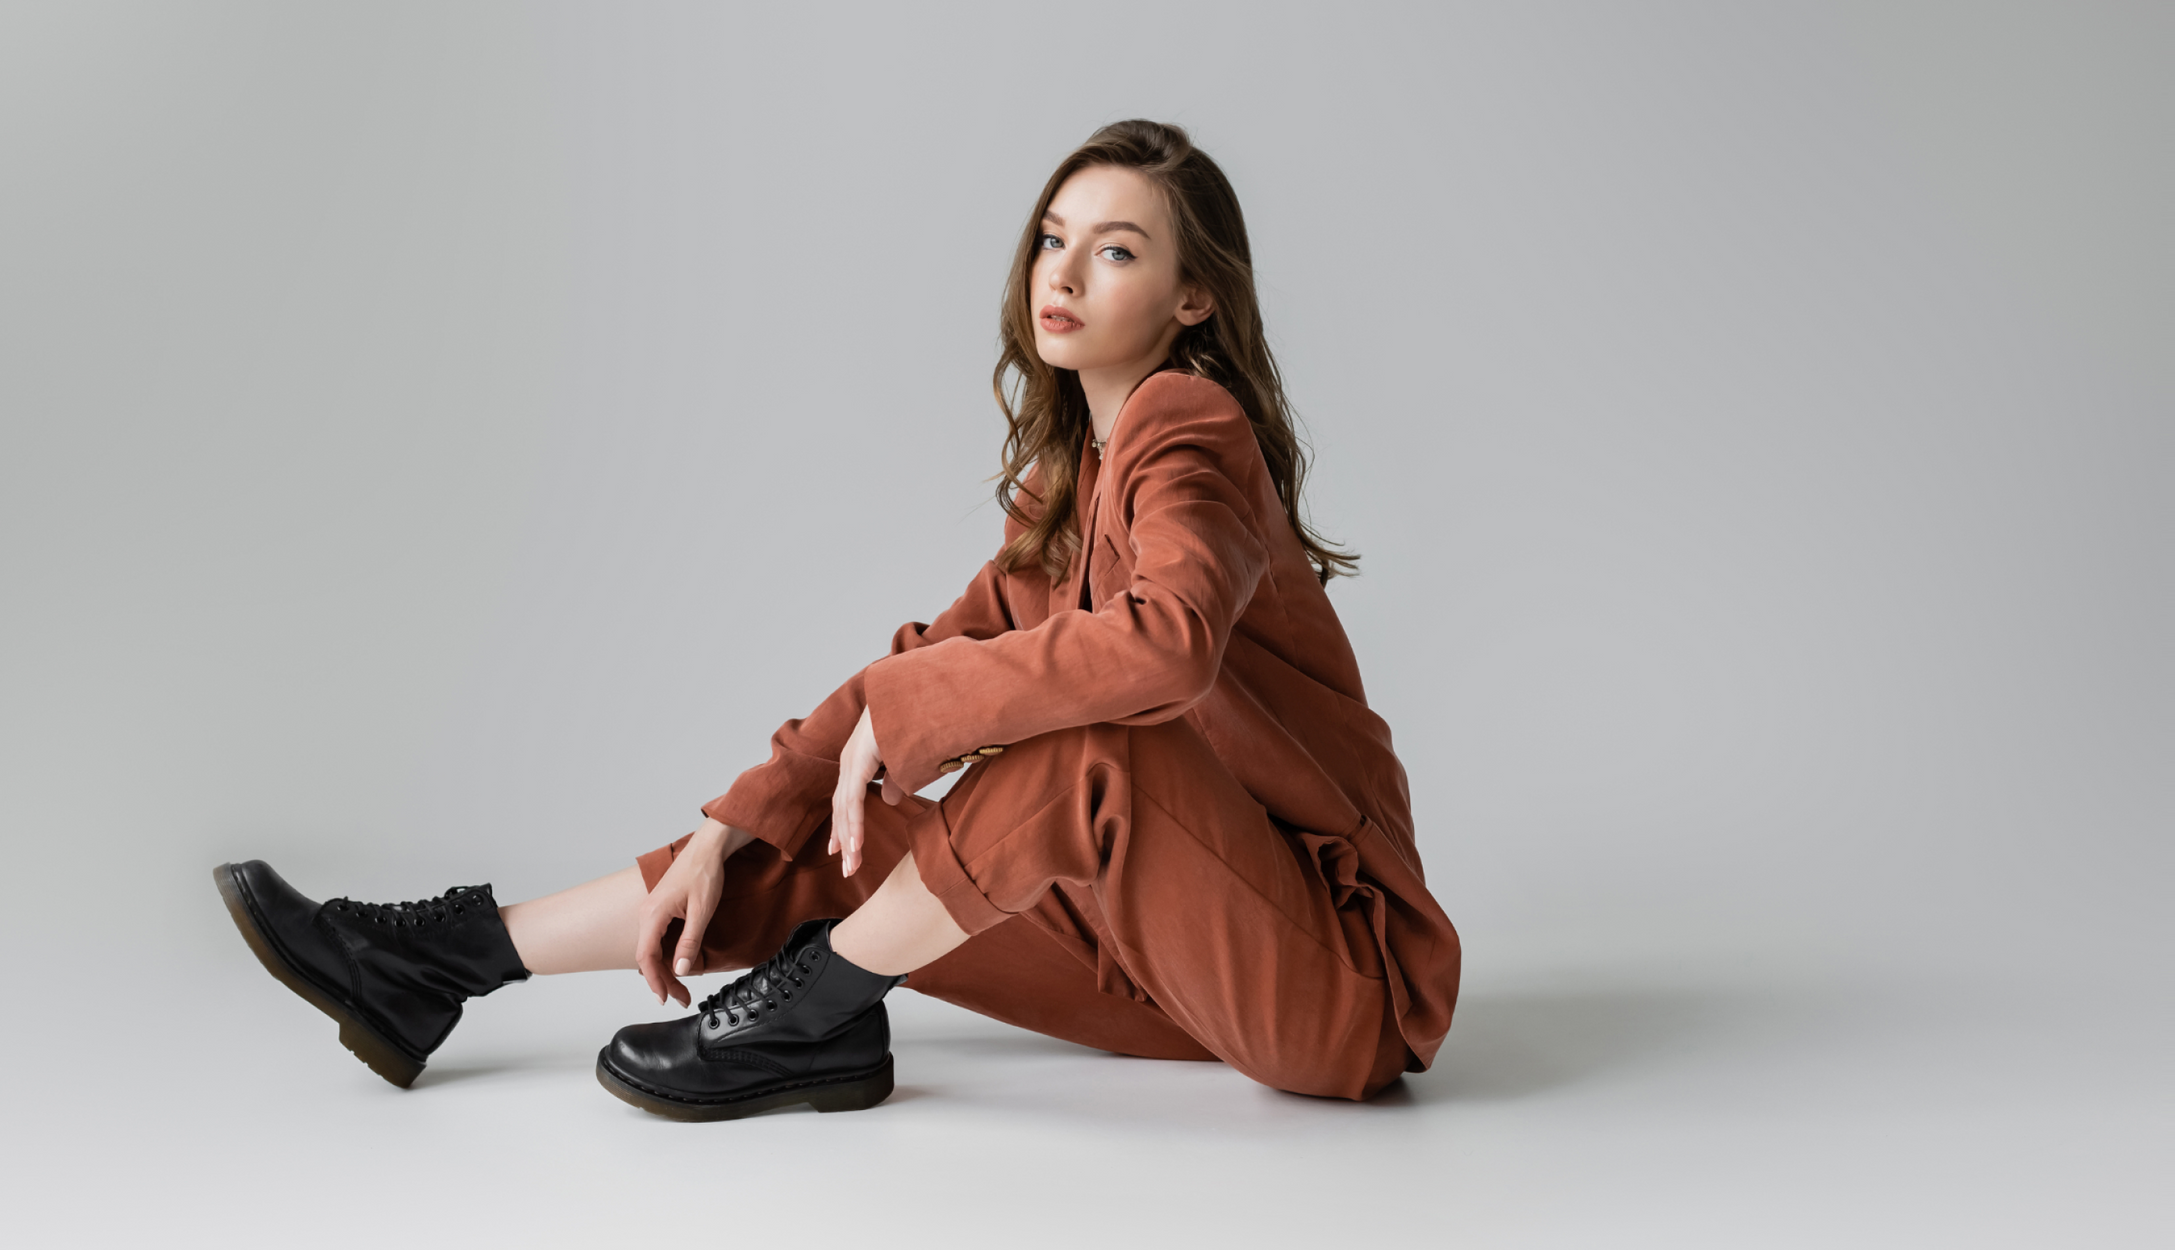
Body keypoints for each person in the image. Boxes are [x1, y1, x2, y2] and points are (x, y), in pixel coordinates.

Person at [211, 119, 1459, 1121]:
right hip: (1172, 972)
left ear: (1196, 297)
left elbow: (1167, 644)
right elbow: (930, 658)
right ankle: (445, 963)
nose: (1064, 274)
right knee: (859, 827)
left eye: (1118, 250)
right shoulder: (1071, 484)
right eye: (1052, 237)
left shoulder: (1191, 429)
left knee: (1093, 753)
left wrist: (912, 717)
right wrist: (741, 814)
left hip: (1339, 988)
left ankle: (818, 1010)